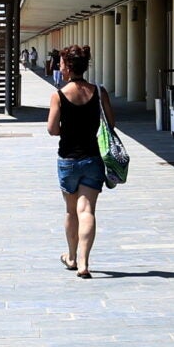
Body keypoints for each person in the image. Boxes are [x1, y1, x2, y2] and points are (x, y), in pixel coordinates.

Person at [45, 44, 109, 278]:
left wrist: (69, 130)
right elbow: (110, 124)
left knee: (71, 211)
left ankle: (71, 257)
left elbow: (52, 129)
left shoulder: (59, 95)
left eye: (61, 64)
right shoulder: (99, 92)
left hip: (68, 159)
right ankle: (83, 262)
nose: (59, 67)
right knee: (87, 210)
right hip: (93, 158)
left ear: (69, 67)